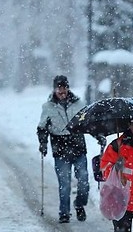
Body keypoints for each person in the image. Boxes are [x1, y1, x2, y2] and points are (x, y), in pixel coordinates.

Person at [37, 75, 103, 223]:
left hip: (78, 147)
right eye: (59, 87)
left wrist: (98, 135)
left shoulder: (79, 104)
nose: (62, 91)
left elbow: (88, 123)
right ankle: (64, 212)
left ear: (68, 88)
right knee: (65, 183)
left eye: (64, 87)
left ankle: (79, 204)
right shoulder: (48, 107)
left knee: (84, 180)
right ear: (54, 89)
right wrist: (43, 143)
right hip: (60, 149)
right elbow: (42, 128)